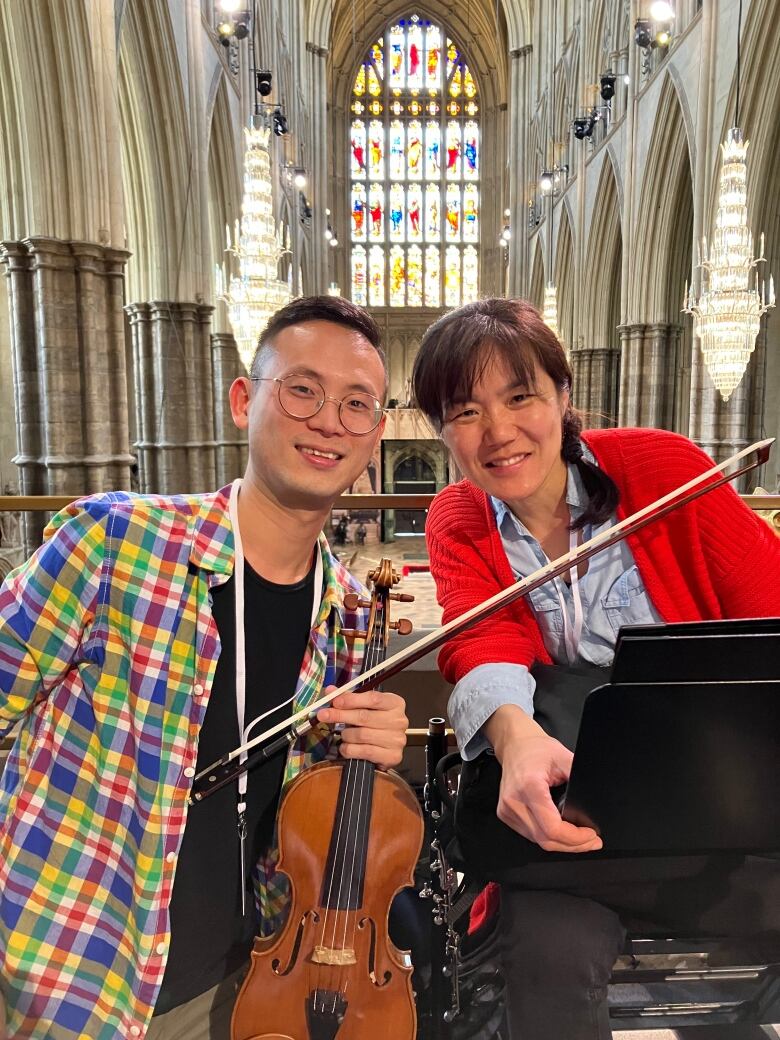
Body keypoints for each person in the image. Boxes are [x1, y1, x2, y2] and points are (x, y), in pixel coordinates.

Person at [0, 296, 410, 1040]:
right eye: (303, 390)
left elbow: (309, 827)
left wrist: (372, 761)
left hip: (242, 984)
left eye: (357, 405)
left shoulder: (353, 615)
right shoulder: (115, 544)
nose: (328, 422)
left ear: (377, 434)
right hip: (66, 971)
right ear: (244, 400)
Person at [411, 296, 780, 1040]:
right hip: (568, 807)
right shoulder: (458, 515)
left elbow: (769, 612)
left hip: (706, 790)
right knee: (546, 951)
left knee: (500, 858)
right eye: (467, 411)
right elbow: (482, 641)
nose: (500, 432)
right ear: (441, 428)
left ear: (564, 395)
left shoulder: (664, 467)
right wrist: (514, 744)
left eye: (522, 398)